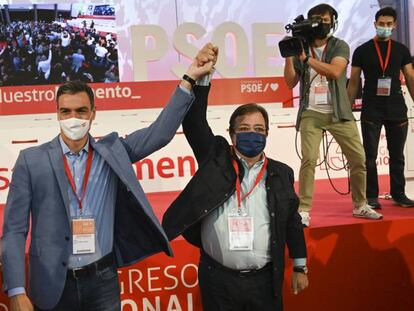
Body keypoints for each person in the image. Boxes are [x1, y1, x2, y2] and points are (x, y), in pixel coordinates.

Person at [1, 45, 215, 310]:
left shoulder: (112, 152)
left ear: (93, 113)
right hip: (51, 283)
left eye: (81, 111)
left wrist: (189, 78)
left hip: (102, 280)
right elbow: (14, 231)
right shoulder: (31, 160)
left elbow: (160, 133)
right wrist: (16, 290)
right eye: (65, 112)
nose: (73, 118)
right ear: (57, 114)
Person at [162, 44, 308, 311]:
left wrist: (300, 265)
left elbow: (292, 222)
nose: (252, 134)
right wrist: (202, 79)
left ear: (266, 135)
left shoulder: (281, 173)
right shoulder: (215, 158)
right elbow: (194, 124)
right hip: (218, 280)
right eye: (244, 129)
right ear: (231, 134)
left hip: (264, 281)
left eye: (258, 129)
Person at [283, 3, 383, 226]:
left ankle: (360, 205)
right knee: (308, 160)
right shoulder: (302, 47)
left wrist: (307, 60)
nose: (320, 23)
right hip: (311, 112)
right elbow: (290, 81)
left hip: (338, 112)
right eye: (316, 18)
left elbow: (336, 72)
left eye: (325, 19)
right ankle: (304, 209)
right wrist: (289, 56)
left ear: (333, 22)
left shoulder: (340, 45)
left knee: (358, 158)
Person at [347, 7, 414, 208]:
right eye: (381, 24)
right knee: (369, 156)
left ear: (394, 25)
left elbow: (410, 77)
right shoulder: (361, 50)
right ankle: (372, 196)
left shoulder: (402, 50)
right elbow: (354, 82)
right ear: (375, 24)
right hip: (371, 109)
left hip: (397, 109)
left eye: (388, 24)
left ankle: (399, 194)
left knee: (397, 156)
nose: (384, 27)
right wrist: (346, 108)